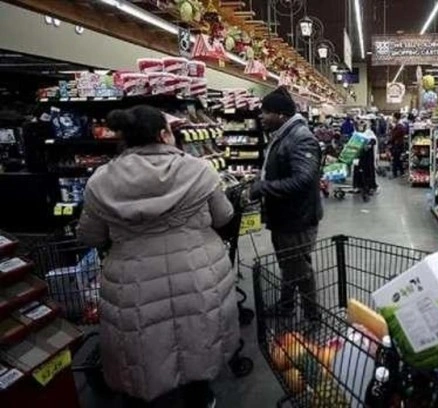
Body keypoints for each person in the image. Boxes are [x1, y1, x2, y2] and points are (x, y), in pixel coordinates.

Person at [77, 105, 238, 407]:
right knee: (198, 338)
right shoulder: (199, 170)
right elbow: (223, 215)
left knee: (142, 348)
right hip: (196, 273)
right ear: (164, 134)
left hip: (133, 283)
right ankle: (200, 399)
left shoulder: (101, 180)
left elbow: (90, 236)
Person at [250, 87, 323, 320]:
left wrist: (264, 187)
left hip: (297, 217)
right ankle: (286, 306)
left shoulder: (300, 137)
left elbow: (304, 179)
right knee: (289, 265)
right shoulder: (283, 134)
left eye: (265, 112)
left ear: (280, 115)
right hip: (285, 216)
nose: (261, 116)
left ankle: (313, 316)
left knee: (299, 268)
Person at [389, 112, 407, 178]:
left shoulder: (399, 126)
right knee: (398, 159)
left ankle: (395, 173)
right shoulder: (399, 125)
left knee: (395, 159)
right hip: (398, 145)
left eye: (393, 117)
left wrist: (389, 141)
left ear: (396, 118)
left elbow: (394, 136)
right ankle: (401, 172)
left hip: (397, 145)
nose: (392, 119)